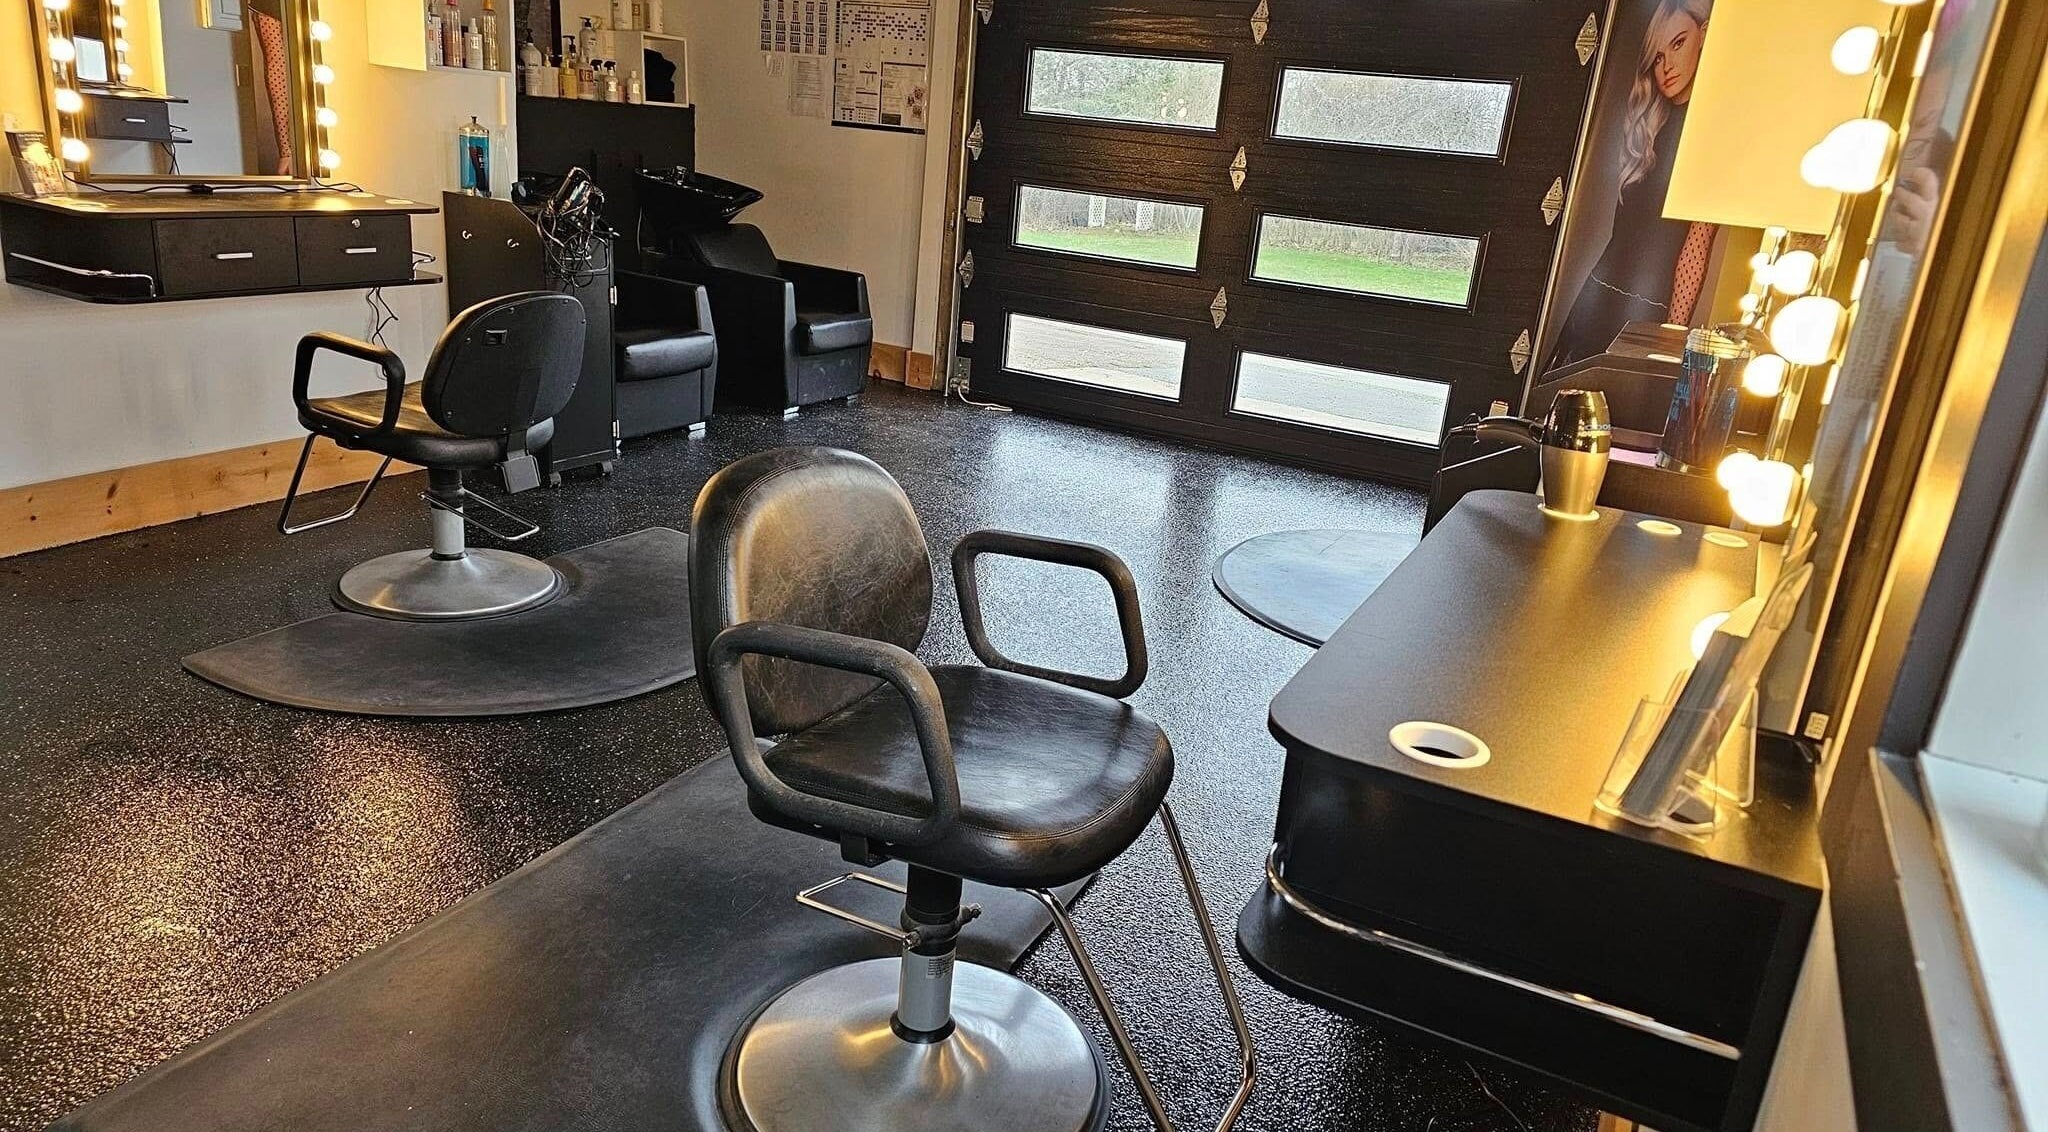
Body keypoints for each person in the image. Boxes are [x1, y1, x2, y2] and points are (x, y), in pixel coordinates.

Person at [1549, 0, 1716, 369]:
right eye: (1656, 57)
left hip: (1649, 303)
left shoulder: (1708, 135)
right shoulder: (1649, 127)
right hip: (1597, 291)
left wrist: (1674, 329)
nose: (1667, 66)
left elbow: (1696, 244)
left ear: (1703, 37)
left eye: (1678, 44)